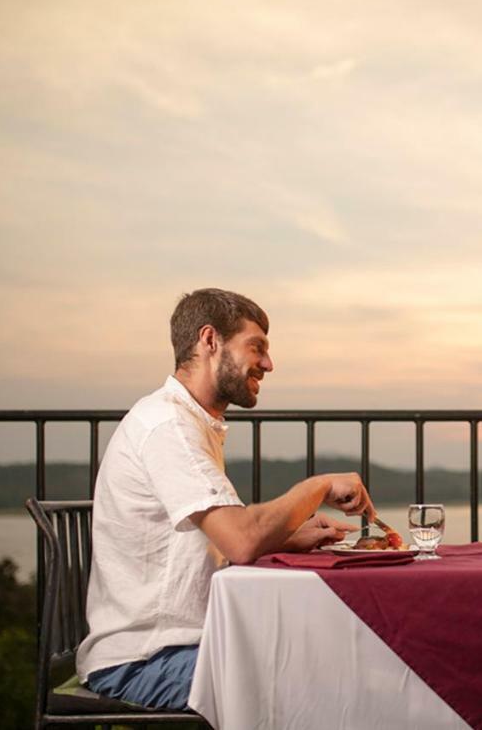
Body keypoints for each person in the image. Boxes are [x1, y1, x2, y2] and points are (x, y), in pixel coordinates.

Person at [76, 288, 374, 710]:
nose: (269, 364)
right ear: (209, 341)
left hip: (184, 644)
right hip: (145, 660)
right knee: (327, 683)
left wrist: (288, 536)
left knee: (338, 659)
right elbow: (241, 540)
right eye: (257, 348)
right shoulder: (168, 426)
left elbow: (213, 541)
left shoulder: (189, 422)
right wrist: (319, 487)